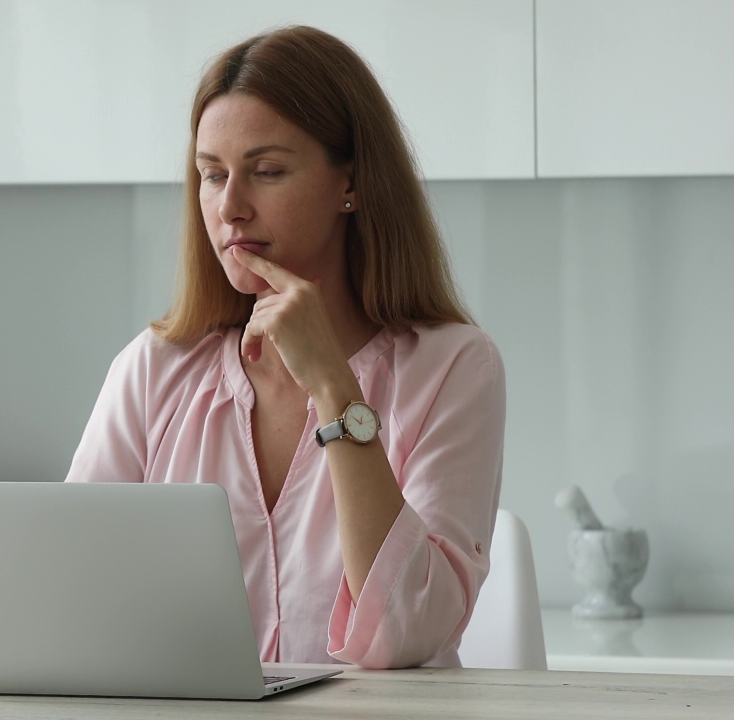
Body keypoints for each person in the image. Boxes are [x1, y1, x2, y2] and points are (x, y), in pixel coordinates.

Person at [65, 25, 505, 670]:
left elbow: (409, 634)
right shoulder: (152, 368)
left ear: (349, 183)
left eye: (266, 171)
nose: (230, 207)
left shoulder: (455, 367)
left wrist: (334, 386)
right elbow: (67, 596)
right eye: (211, 176)